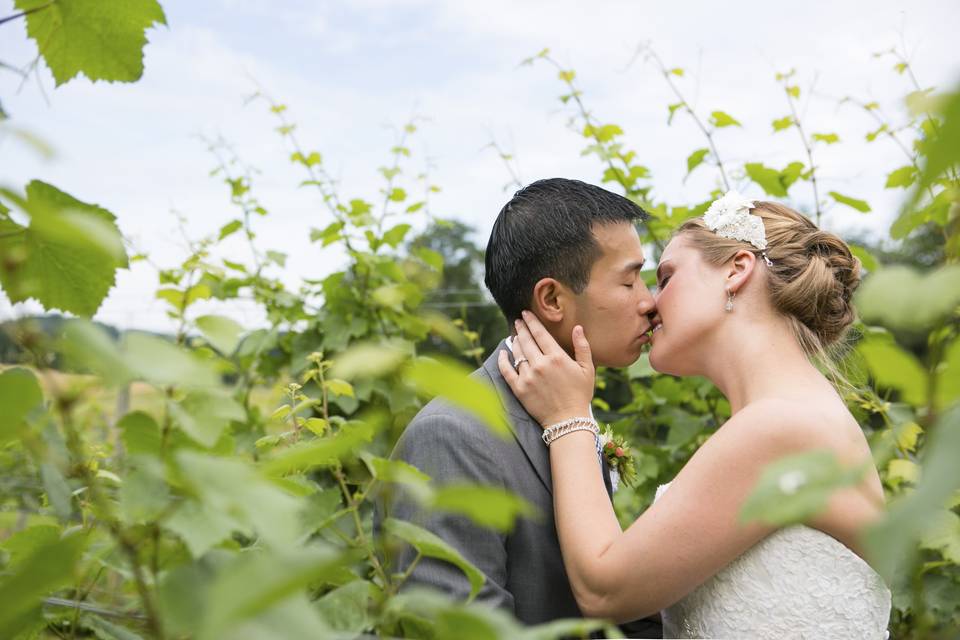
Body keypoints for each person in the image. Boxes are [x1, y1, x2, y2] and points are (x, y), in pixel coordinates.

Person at [497, 191, 892, 638]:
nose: (650, 303)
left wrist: (567, 417)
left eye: (665, 278)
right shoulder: (794, 413)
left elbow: (604, 591)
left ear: (736, 270)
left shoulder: (780, 427)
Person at [375, 178, 662, 636]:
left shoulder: (568, 409)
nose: (650, 302)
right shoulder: (453, 435)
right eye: (629, 280)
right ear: (551, 299)